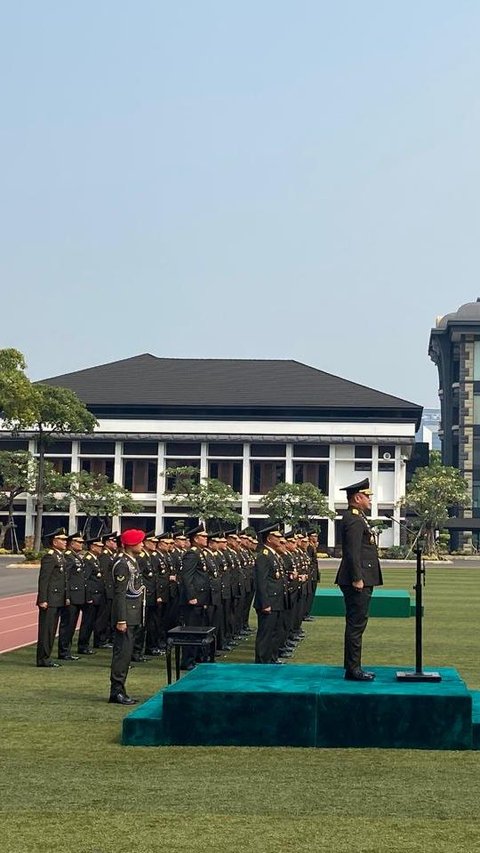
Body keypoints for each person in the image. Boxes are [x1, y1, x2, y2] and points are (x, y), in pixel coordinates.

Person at [335, 478, 383, 681]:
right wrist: (357, 578)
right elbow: (353, 552)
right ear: (357, 497)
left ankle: (353, 666)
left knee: (358, 624)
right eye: (367, 496)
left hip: (363, 576)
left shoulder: (358, 517)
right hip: (357, 579)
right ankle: (353, 669)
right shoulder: (354, 519)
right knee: (356, 624)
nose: (370, 499)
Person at [109, 528, 146, 705]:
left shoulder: (132, 561)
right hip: (126, 616)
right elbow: (120, 594)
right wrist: (121, 619)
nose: (142, 545)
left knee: (126, 654)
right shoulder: (122, 564)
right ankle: (117, 691)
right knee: (122, 655)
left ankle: (120, 690)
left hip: (133, 614)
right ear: (131, 544)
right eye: (140, 542)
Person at [36, 528, 69, 668]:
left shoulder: (60, 556)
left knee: (52, 630)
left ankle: (46, 657)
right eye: (62, 539)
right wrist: (42, 599)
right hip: (50, 599)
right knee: (46, 630)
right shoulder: (50, 557)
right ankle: (43, 658)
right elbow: (44, 580)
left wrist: (66, 597)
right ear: (54, 542)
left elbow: (64, 580)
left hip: (57, 598)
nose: (65, 542)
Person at [253, 524, 287, 664]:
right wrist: (265, 603)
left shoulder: (273, 555)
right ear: (269, 539)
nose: (280, 540)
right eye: (277, 537)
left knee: (274, 633)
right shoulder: (264, 556)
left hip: (277, 600)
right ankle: (261, 661)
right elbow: (261, 582)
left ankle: (272, 658)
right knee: (265, 634)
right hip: (268, 601)